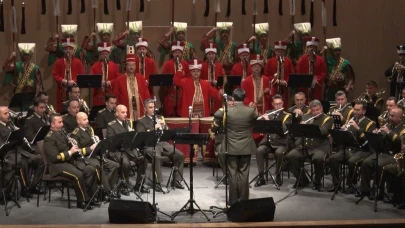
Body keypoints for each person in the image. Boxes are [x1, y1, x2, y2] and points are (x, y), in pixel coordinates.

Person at [44, 113, 99, 209]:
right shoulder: (49, 138)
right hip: (58, 166)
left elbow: (68, 146)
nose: (62, 124)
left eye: (62, 122)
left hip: (69, 161)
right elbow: (54, 158)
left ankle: (91, 197)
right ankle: (82, 201)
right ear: (52, 124)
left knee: (90, 169)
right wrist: (70, 152)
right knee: (79, 175)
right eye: (59, 122)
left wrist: (73, 144)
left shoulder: (61, 133)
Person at [217, 88, 257, 205]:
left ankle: (233, 200)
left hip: (231, 146)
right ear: (244, 98)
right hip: (246, 146)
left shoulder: (227, 110)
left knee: (232, 173)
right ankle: (244, 200)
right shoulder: (250, 111)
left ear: (233, 98)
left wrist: (225, 107)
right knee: (244, 173)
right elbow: (256, 119)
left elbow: (216, 114)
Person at [327, 101, 376, 193]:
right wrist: (343, 130)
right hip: (349, 148)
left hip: (363, 150)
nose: (355, 112)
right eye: (354, 109)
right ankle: (336, 184)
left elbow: (368, 141)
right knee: (333, 158)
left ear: (364, 111)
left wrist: (357, 128)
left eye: (358, 110)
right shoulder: (351, 119)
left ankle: (351, 184)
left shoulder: (370, 123)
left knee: (352, 161)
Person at [136, 99, 185, 190]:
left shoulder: (159, 118)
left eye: (154, 107)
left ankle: (176, 180)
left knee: (180, 155)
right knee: (157, 157)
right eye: (150, 107)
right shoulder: (141, 121)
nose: (153, 109)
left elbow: (168, 133)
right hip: (149, 146)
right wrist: (153, 129)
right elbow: (141, 137)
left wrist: (164, 127)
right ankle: (157, 182)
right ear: (145, 109)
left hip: (162, 144)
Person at [358, 108, 405, 199]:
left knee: (379, 165)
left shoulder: (403, 128)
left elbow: (400, 142)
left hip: (394, 155)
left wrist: (388, 132)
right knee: (365, 163)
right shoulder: (388, 125)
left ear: (400, 118)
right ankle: (365, 190)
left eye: (393, 116)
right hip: (383, 153)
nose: (390, 118)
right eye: (389, 115)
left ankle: (378, 193)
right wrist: (376, 134)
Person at [70, 112, 119, 199]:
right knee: (98, 166)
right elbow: (76, 151)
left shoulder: (89, 129)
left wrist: (97, 142)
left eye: (87, 119)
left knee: (115, 165)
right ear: (78, 121)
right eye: (84, 119)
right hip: (83, 158)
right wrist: (90, 148)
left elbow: (94, 143)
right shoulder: (75, 133)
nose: (87, 121)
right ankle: (106, 192)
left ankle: (108, 188)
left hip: (93, 155)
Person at [287, 100, 333, 191]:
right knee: (291, 155)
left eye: (317, 110)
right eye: (313, 110)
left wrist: (308, 126)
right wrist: (301, 127)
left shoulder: (328, 119)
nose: (315, 112)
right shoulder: (305, 116)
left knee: (318, 159)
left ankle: (317, 181)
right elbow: (300, 133)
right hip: (306, 146)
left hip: (320, 147)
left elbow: (323, 132)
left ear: (321, 108)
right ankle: (302, 179)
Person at [0, 106, 44, 197]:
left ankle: (33, 186)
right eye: (5, 114)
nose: (8, 115)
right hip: (8, 153)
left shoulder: (10, 124)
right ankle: (25, 189)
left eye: (8, 113)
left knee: (40, 160)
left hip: (19, 150)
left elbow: (21, 140)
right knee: (21, 162)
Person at [107, 105, 148, 194]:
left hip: (128, 149)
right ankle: (123, 185)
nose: (125, 114)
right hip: (116, 150)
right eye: (123, 112)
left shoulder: (128, 123)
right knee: (125, 163)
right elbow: (111, 142)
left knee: (143, 160)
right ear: (117, 113)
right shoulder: (111, 125)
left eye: (126, 112)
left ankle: (139, 185)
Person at [255, 94, 291, 187]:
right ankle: (261, 176)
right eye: (276, 104)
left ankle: (278, 175)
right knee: (259, 151)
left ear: (282, 104)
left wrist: (268, 122)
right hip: (269, 142)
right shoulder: (268, 113)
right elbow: (261, 128)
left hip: (281, 143)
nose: (278, 106)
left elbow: (283, 130)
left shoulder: (287, 116)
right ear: (272, 104)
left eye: (279, 104)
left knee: (279, 153)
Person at [113, 46, 150, 122]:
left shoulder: (141, 78)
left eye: (133, 65)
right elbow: (116, 94)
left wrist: (147, 105)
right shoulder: (120, 79)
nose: (131, 67)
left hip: (140, 108)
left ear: (135, 66)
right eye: (129, 65)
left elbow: (146, 93)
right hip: (126, 109)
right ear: (126, 66)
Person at [52, 38, 85, 112]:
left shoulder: (78, 62)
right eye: (66, 49)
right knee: (62, 109)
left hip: (74, 89)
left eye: (70, 49)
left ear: (73, 50)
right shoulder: (58, 62)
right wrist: (63, 81)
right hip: (62, 90)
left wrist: (73, 81)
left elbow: (81, 75)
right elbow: (55, 74)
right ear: (63, 50)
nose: (68, 51)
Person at [161, 41, 190, 117]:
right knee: (169, 112)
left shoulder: (185, 64)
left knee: (181, 112)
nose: (177, 54)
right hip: (170, 91)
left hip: (182, 92)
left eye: (179, 52)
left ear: (181, 54)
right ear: (172, 54)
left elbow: (189, 78)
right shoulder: (168, 64)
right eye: (175, 52)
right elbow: (163, 77)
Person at [264, 41, 294, 108]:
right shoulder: (270, 61)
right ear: (275, 52)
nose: (280, 53)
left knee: (284, 103)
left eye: (282, 51)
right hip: (273, 88)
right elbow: (266, 75)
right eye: (278, 51)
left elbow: (291, 74)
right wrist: (275, 80)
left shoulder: (288, 61)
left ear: (284, 52)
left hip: (284, 88)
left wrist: (286, 81)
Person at [296, 37, 327, 101]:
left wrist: (316, 80)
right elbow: (298, 72)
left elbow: (323, 73)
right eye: (310, 47)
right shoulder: (302, 60)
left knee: (315, 103)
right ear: (307, 48)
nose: (312, 49)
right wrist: (306, 80)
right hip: (304, 86)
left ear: (316, 49)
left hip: (316, 86)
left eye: (314, 47)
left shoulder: (320, 60)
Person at [200, 42, 226, 113]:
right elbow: (199, 79)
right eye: (209, 54)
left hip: (216, 89)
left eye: (212, 54)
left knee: (217, 109)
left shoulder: (219, 66)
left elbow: (224, 78)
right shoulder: (202, 66)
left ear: (215, 55)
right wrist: (206, 82)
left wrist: (218, 83)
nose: (211, 56)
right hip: (205, 90)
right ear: (206, 55)